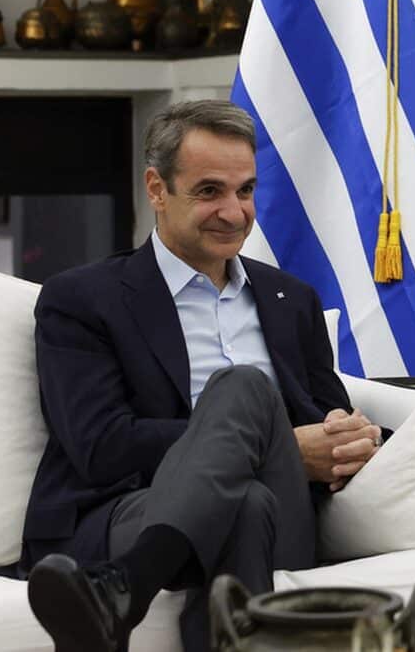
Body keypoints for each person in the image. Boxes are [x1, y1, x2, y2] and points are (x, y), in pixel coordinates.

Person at [20, 100, 382, 652]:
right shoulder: (82, 299)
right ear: (157, 189)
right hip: (129, 510)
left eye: (245, 190)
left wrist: (357, 438)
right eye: (210, 191)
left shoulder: (292, 301)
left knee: (245, 403)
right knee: (244, 480)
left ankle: (126, 587)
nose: (234, 213)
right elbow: (99, 445)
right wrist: (276, 445)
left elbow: (326, 420)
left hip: (284, 519)